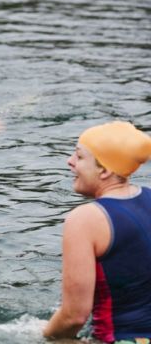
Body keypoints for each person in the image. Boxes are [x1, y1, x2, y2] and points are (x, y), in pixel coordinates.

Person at [42, 121, 151, 343]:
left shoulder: (85, 219)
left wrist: (42, 337)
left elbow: (73, 317)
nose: (70, 162)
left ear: (105, 170)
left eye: (80, 157)